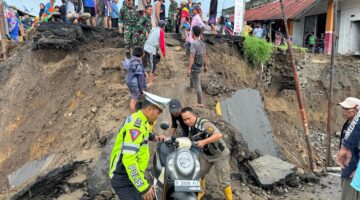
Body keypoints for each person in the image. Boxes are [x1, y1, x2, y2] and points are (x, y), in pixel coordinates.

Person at [109, 91, 170, 200]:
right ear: (149, 109)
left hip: (132, 174)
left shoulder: (140, 119)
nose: (159, 115)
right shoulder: (136, 126)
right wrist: (143, 187)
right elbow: (129, 159)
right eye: (158, 112)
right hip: (124, 177)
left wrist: (153, 137)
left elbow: (144, 132)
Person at [181, 107, 232, 200]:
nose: (187, 121)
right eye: (184, 120)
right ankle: (201, 191)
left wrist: (204, 142)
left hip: (220, 154)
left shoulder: (204, 124)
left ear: (194, 115)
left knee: (224, 182)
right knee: (199, 173)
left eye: (189, 118)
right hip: (206, 154)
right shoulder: (190, 128)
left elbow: (218, 135)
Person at [335, 97, 360, 200]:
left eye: (346, 108)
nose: (343, 111)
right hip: (348, 167)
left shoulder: (357, 127)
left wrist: (358, 170)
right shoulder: (348, 124)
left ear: (357, 109)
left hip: (354, 169)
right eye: (343, 108)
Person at [186, 26, 206, 108]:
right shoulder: (202, 43)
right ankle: (191, 87)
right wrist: (205, 66)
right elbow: (205, 55)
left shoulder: (193, 44)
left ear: (193, 33)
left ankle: (200, 102)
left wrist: (189, 68)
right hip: (200, 65)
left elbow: (192, 57)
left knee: (197, 85)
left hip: (195, 66)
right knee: (192, 76)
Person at [123, 47, 147, 113]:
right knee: (134, 100)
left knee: (134, 95)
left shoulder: (132, 60)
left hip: (129, 80)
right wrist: (143, 89)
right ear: (141, 54)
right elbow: (141, 80)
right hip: (134, 83)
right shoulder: (138, 64)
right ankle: (133, 116)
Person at [143, 20, 167, 86]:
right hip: (151, 49)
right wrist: (164, 54)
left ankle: (145, 75)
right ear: (163, 26)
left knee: (151, 62)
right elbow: (162, 44)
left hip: (146, 47)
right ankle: (150, 82)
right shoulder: (161, 31)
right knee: (152, 66)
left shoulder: (153, 29)